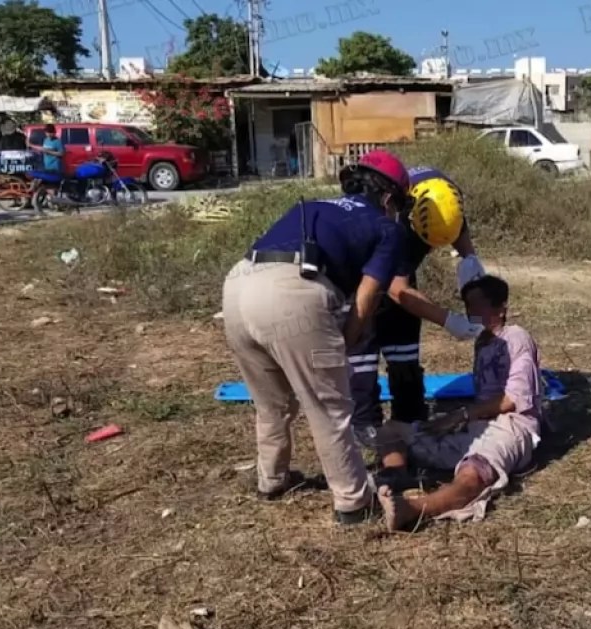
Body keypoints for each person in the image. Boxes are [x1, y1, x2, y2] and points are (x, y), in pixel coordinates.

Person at [222, 149, 411, 525]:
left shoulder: (318, 206)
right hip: (292, 293)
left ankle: (272, 479)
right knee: (330, 406)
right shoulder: (387, 227)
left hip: (238, 286)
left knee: (272, 403)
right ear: (388, 198)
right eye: (399, 204)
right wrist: (348, 340)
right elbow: (367, 295)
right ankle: (354, 502)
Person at [375, 275, 543, 532]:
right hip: (478, 425)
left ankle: (414, 509)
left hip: (511, 425)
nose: (471, 313)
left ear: (501, 308)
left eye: (478, 306)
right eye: (468, 307)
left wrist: (460, 415)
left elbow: (513, 399)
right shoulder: (483, 342)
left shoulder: (515, 337)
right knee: (392, 430)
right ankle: (398, 477)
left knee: (473, 474)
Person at [348, 164, 489, 447]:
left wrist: (476, 284)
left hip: (406, 253)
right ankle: (364, 424)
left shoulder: (447, 200)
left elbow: (465, 248)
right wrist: (450, 320)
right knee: (364, 347)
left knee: (404, 346)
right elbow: (398, 290)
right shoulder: (394, 218)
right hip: (360, 270)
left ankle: (409, 416)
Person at [28, 124, 65, 194]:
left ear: (54, 132)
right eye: (47, 133)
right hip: (46, 166)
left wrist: (49, 152)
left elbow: (61, 154)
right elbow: (43, 149)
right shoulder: (46, 140)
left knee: (51, 186)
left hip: (55, 168)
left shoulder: (58, 142)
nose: (48, 134)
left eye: (50, 133)